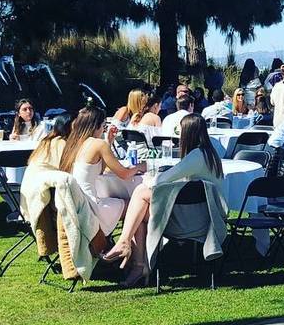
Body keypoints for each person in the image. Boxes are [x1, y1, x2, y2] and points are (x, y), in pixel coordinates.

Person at [104, 114, 223, 287]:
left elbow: (162, 179)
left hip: (193, 223)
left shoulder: (196, 156)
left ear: (188, 133)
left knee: (140, 193)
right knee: (142, 210)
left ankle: (129, 250)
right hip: (205, 218)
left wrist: (148, 178)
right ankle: (139, 265)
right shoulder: (209, 154)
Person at [59, 106, 146, 285]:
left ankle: (131, 258)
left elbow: (103, 167)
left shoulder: (74, 143)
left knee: (132, 205)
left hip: (78, 205)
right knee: (137, 207)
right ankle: (137, 262)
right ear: (97, 125)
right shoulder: (98, 144)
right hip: (91, 208)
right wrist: (139, 167)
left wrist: (109, 140)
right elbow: (123, 173)